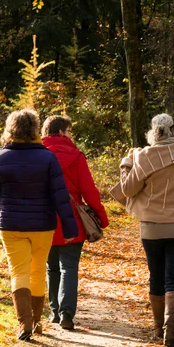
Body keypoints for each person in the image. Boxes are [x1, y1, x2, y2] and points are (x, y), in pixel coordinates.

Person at [113, 114, 174, 347]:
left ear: (153, 131)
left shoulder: (142, 157)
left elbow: (128, 190)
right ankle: (171, 330)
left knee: (155, 275)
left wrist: (126, 165)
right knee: (173, 276)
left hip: (151, 226)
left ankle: (158, 329)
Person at [0, 109, 78, 341]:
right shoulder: (47, 158)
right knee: (37, 272)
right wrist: (69, 227)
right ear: (35, 129)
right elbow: (60, 195)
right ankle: (35, 322)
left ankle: (24, 323)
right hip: (42, 225)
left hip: (11, 225)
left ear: (10, 129)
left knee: (19, 272)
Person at [42, 115, 109, 331]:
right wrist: (102, 217)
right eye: (69, 131)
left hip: (45, 216)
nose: (70, 135)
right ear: (62, 132)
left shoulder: (38, 154)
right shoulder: (76, 156)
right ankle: (66, 313)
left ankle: (54, 311)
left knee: (51, 266)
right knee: (69, 266)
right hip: (72, 217)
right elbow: (89, 190)